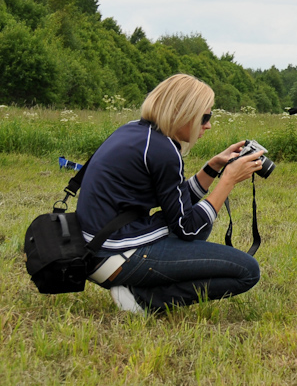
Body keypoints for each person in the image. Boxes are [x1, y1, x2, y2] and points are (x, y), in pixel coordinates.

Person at [76, 73, 264, 315]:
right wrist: (227, 181)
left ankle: (139, 288)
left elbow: (177, 206)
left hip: (96, 247)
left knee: (192, 227)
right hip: (113, 255)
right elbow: (191, 229)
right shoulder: (163, 149)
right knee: (247, 270)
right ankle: (143, 299)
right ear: (181, 113)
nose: (208, 125)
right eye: (204, 117)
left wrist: (213, 167)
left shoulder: (135, 132)